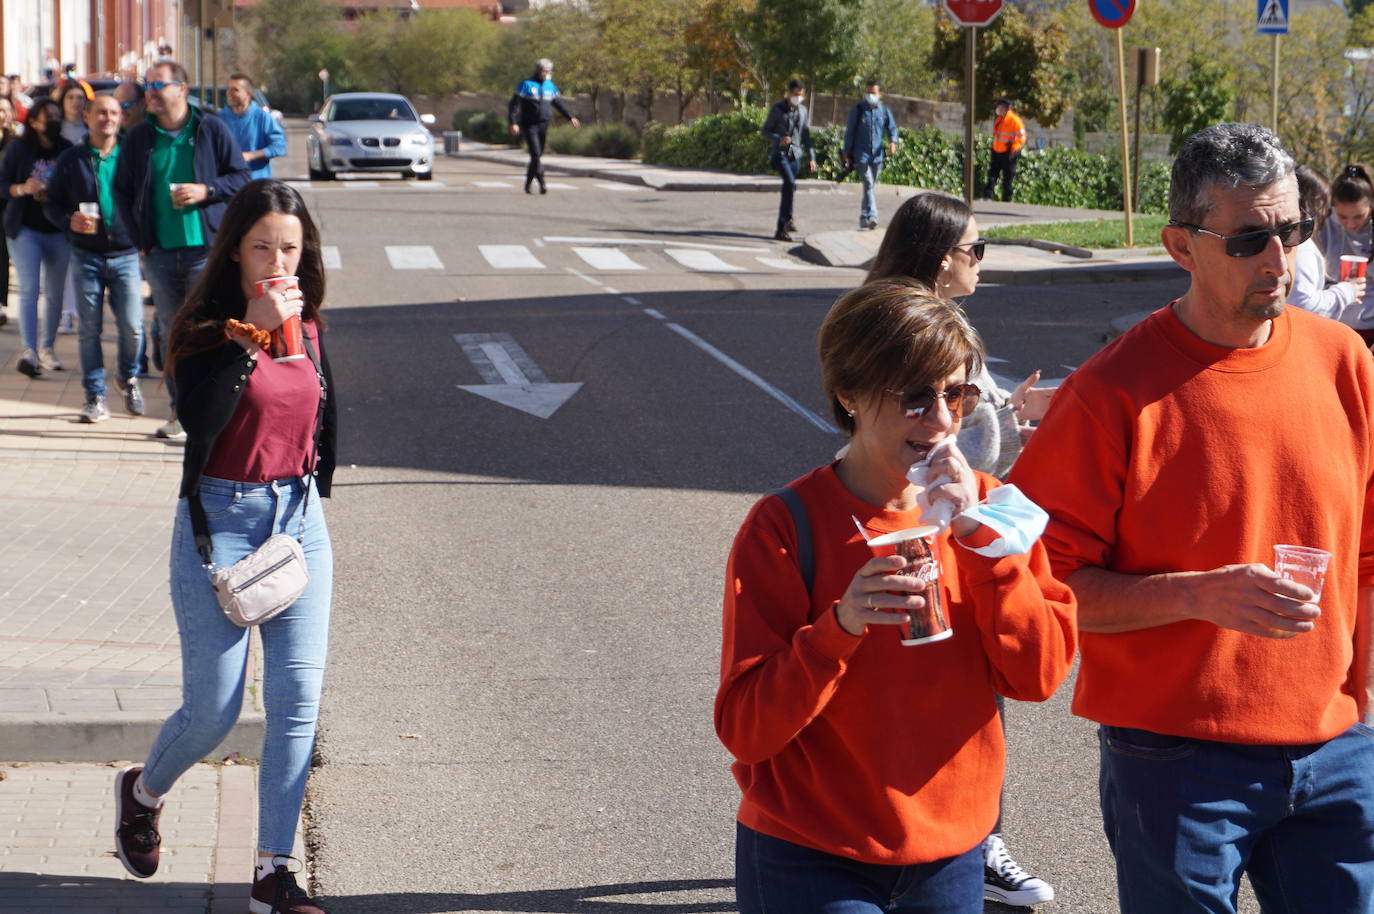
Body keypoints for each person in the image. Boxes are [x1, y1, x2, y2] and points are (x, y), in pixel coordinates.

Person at [1009, 122, 1374, 914]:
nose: (1279, 261)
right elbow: (1039, 584)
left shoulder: (1344, 362)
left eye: (1292, 231)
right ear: (1181, 247)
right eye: (1248, 240)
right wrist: (1193, 595)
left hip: (1335, 749)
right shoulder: (1110, 394)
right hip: (1176, 761)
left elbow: (1369, 553)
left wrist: (1362, 704)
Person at [717, 278, 1075, 914]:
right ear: (849, 394)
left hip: (952, 852)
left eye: (957, 395)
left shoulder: (994, 512)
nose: (940, 421)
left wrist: (982, 545)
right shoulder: (784, 526)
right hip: (810, 853)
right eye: (915, 397)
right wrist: (839, 627)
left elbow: (1039, 675)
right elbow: (746, 728)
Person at [112, 179, 336, 914]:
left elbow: (318, 409)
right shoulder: (203, 328)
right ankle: (142, 793)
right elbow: (199, 415)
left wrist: (309, 491)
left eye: (291, 249)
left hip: (295, 521)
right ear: (236, 250)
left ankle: (274, 872)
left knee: (298, 700)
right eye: (263, 246)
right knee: (214, 709)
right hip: (219, 523)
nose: (279, 260)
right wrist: (250, 328)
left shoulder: (312, 324)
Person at [863, 191, 1056, 906]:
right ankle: (968, 839)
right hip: (929, 521)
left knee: (959, 671)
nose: (982, 262)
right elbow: (927, 431)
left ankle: (963, 833)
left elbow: (969, 420)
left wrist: (1009, 411)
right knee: (955, 673)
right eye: (978, 249)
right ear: (945, 256)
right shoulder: (902, 325)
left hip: (957, 512)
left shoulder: (945, 322)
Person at [114, 58, 251, 442]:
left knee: (206, 330)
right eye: (149, 86)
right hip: (158, 252)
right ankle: (181, 412)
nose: (151, 93)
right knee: (172, 333)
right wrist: (139, 240)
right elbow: (122, 192)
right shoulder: (140, 136)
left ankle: (215, 411)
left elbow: (241, 176)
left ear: (182, 90)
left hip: (205, 249)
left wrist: (207, 191)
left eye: (159, 85)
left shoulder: (210, 128)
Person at [44, 93, 144, 422]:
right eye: (101, 113)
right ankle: (95, 395)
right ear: (87, 117)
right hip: (86, 254)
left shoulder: (134, 155)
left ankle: (127, 377)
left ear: (121, 118)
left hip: (127, 253)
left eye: (114, 112)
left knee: (132, 328)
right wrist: (67, 220)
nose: (108, 118)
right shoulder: (72, 159)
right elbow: (52, 204)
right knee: (89, 330)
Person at [0, 98, 72, 376]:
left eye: (57, 116)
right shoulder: (19, 148)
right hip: (25, 228)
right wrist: (22, 188)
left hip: (58, 230)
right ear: (33, 121)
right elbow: (3, 184)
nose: (54, 121)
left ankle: (47, 348)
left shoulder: (66, 150)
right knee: (30, 289)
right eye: (47, 117)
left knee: (54, 293)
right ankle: (28, 349)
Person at [1289, 164, 1364, 324]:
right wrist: (1347, 291)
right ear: (1318, 204)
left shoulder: (1282, 238)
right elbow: (1302, 304)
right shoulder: (1301, 246)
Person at [506, 58, 580, 195]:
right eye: (545, 71)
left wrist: (570, 117)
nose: (547, 73)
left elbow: (558, 104)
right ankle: (542, 183)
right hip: (529, 125)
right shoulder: (526, 84)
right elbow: (513, 106)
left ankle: (528, 183)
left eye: (548, 71)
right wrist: (513, 122)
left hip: (543, 124)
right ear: (539, 71)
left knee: (537, 155)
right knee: (535, 154)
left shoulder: (550, 86)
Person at [761, 79, 817, 242]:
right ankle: (781, 228)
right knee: (790, 183)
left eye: (800, 96)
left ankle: (789, 218)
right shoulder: (778, 110)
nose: (797, 98)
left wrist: (812, 157)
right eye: (795, 95)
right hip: (780, 154)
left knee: (790, 187)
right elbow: (765, 131)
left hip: (795, 155)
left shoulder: (803, 111)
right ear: (788, 93)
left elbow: (806, 135)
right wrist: (778, 139)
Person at [843, 80, 900, 231]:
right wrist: (847, 153)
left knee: (870, 187)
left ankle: (863, 217)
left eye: (873, 92)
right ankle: (873, 216)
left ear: (880, 94)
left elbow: (892, 129)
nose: (870, 95)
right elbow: (850, 132)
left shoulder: (885, 111)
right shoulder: (859, 110)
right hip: (861, 155)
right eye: (868, 92)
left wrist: (893, 142)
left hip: (877, 156)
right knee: (868, 183)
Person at [219, 73, 286, 180]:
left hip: (256, 183)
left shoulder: (262, 117)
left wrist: (251, 155)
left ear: (248, 94)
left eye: (235, 90)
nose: (229, 93)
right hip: (228, 185)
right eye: (228, 89)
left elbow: (279, 146)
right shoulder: (220, 118)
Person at [1317, 163, 1372, 283]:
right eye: (1342, 216)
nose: (1350, 224)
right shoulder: (1324, 224)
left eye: (1359, 216)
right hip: (1333, 295)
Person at [982, 98, 1025, 203]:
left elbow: (1021, 137)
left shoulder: (1014, 120)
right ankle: (988, 195)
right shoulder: (999, 119)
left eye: (999, 106)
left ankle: (1006, 199)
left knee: (1008, 176)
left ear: (1005, 108)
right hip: (997, 151)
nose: (998, 108)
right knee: (992, 174)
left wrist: (1014, 149)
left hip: (1009, 152)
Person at [0, 96, 18, 327]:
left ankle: (1, 304)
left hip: (4, 204)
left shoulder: (15, 142)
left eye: (4, 110)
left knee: (1, 255)